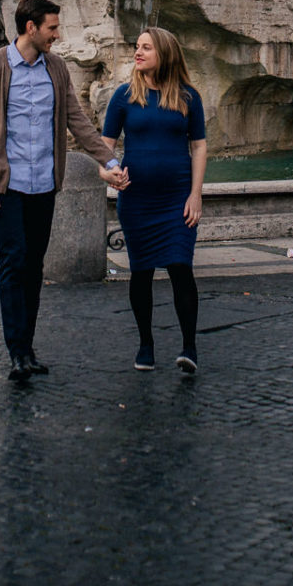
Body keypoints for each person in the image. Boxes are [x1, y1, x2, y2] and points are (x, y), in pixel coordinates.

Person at [0, 0, 120, 383]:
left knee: (34, 267)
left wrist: (109, 161)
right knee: (13, 263)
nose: (57, 34)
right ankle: (16, 350)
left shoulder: (56, 68)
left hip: (43, 186)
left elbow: (76, 120)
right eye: (52, 27)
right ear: (30, 27)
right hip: (7, 186)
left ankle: (28, 348)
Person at [100, 26, 208, 374]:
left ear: (164, 52)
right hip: (137, 200)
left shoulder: (188, 97)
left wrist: (195, 194)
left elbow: (199, 146)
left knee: (180, 267)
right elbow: (106, 146)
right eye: (137, 46)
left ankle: (189, 347)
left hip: (176, 198)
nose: (138, 52)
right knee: (141, 271)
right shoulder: (123, 96)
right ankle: (146, 344)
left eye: (146, 47)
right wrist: (107, 173)